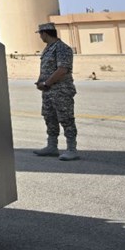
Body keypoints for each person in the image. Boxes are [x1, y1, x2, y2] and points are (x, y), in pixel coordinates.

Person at [33, 22, 79, 161]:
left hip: (61, 91)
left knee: (66, 119)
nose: (40, 37)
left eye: (40, 34)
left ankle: (72, 149)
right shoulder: (48, 48)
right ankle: (52, 146)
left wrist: (46, 83)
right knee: (50, 118)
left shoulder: (62, 48)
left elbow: (62, 70)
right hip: (48, 91)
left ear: (45, 33)